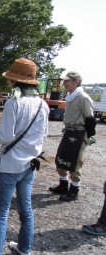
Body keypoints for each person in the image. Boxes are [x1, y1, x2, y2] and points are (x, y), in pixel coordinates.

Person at [0, 58, 49, 255]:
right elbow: (43, 135)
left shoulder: (13, 102)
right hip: (30, 164)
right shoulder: (42, 104)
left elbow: (6, 135)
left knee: (1, 212)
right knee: (26, 209)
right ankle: (25, 248)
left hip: (11, 165)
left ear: (14, 81)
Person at [49, 71, 95, 202]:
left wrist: (88, 136)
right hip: (69, 131)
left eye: (67, 81)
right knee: (61, 157)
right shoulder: (70, 96)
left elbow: (90, 119)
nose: (64, 83)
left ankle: (74, 190)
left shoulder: (83, 98)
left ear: (76, 82)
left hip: (79, 132)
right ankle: (63, 185)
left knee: (75, 161)